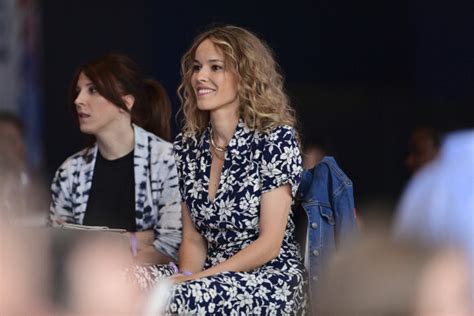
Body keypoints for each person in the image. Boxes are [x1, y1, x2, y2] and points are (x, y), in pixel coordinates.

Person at [131, 25, 306, 314]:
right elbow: (193, 240)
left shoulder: (275, 138)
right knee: (124, 281)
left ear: (246, 76)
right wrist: (186, 277)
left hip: (267, 279)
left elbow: (270, 244)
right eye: (197, 67)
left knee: (175, 298)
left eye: (215, 67)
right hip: (208, 276)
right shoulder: (188, 147)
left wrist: (196, 282)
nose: (200, 77)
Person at [48, 53, 182, 264]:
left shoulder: (167, 161)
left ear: (126, 102)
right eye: (78, 92)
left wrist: (102, 259)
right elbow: (58, 246)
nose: (78, 100)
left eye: (92, 90)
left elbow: (172, 247)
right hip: (85, 286)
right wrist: (137, 239)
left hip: (148, 286)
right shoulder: (70, 172)